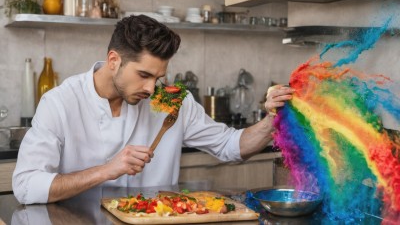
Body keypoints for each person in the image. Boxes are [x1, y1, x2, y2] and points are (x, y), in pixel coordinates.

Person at [12, 15, 294, 204]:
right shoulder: (61, 103)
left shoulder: (169, 100)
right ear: (114, 60)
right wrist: (106, 170)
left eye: (158, 77)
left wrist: (273, 120)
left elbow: (230, 145)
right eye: (143, 75)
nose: (151, 88)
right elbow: (26, 186)